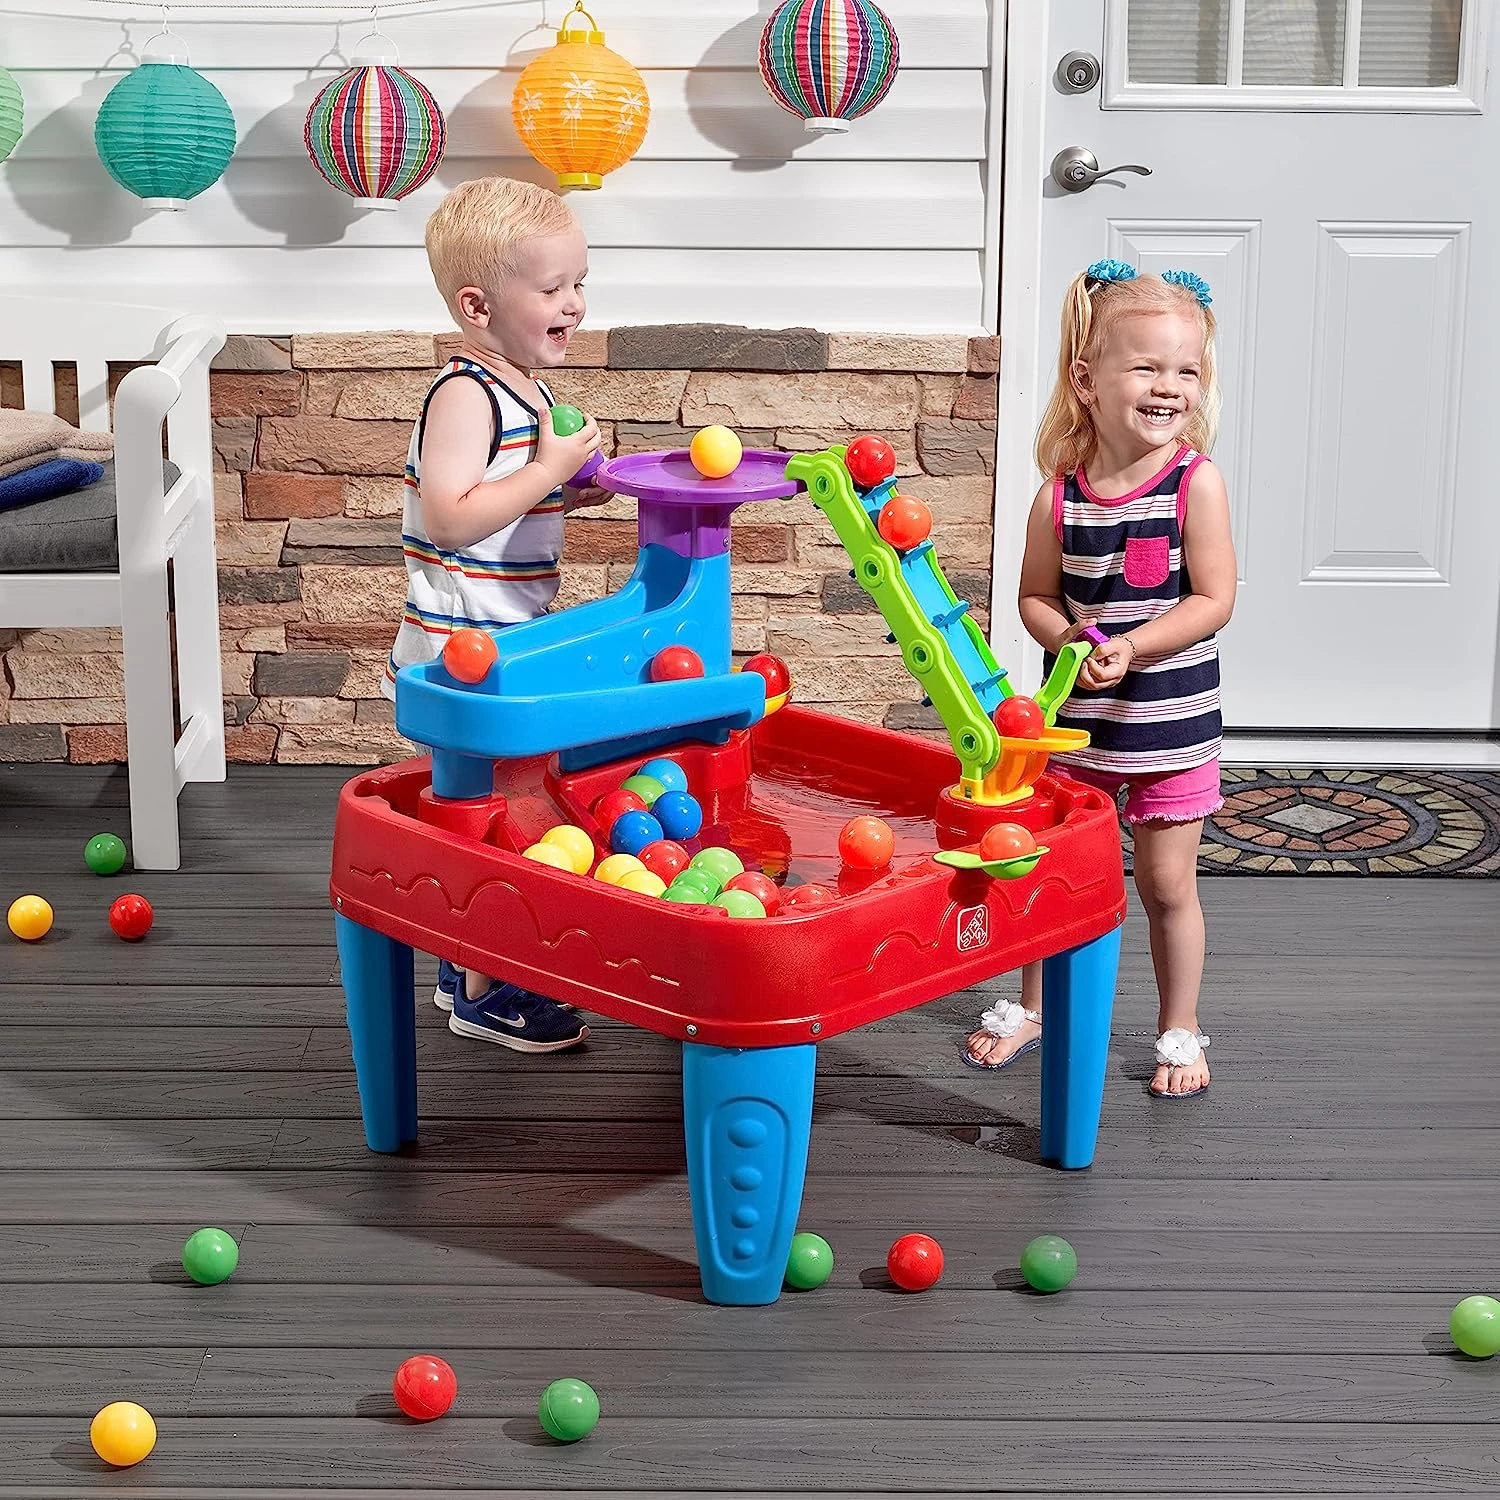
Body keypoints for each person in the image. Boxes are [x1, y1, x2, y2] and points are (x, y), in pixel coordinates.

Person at [962, 261, 1237, 1099]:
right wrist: (1071, 641)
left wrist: (1136, 645)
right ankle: (1034, 1007)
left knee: (1165, 886)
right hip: (1076, 731)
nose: (1169, 387)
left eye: (1186, 370)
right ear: (1087, 380)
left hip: (1170, 732)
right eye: (1147, 367)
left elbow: (1215, 599)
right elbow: (1035, 598)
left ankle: (1179, 1028)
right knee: (1055, 880)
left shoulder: (1195, 484)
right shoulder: (1059, 498)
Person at [382, 175, 610, 1054]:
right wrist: (548, 471)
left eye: (579, 282)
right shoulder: (465, 394)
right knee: (501, 820)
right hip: (457, 653)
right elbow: (449, 517)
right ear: (477, 307)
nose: (575, 303)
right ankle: (489, 991)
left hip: (500, 645)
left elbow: (502, 502)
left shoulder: (525, 389)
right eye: (552, 289)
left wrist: (571, 487)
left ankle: (464, 968)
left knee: (496, 804)